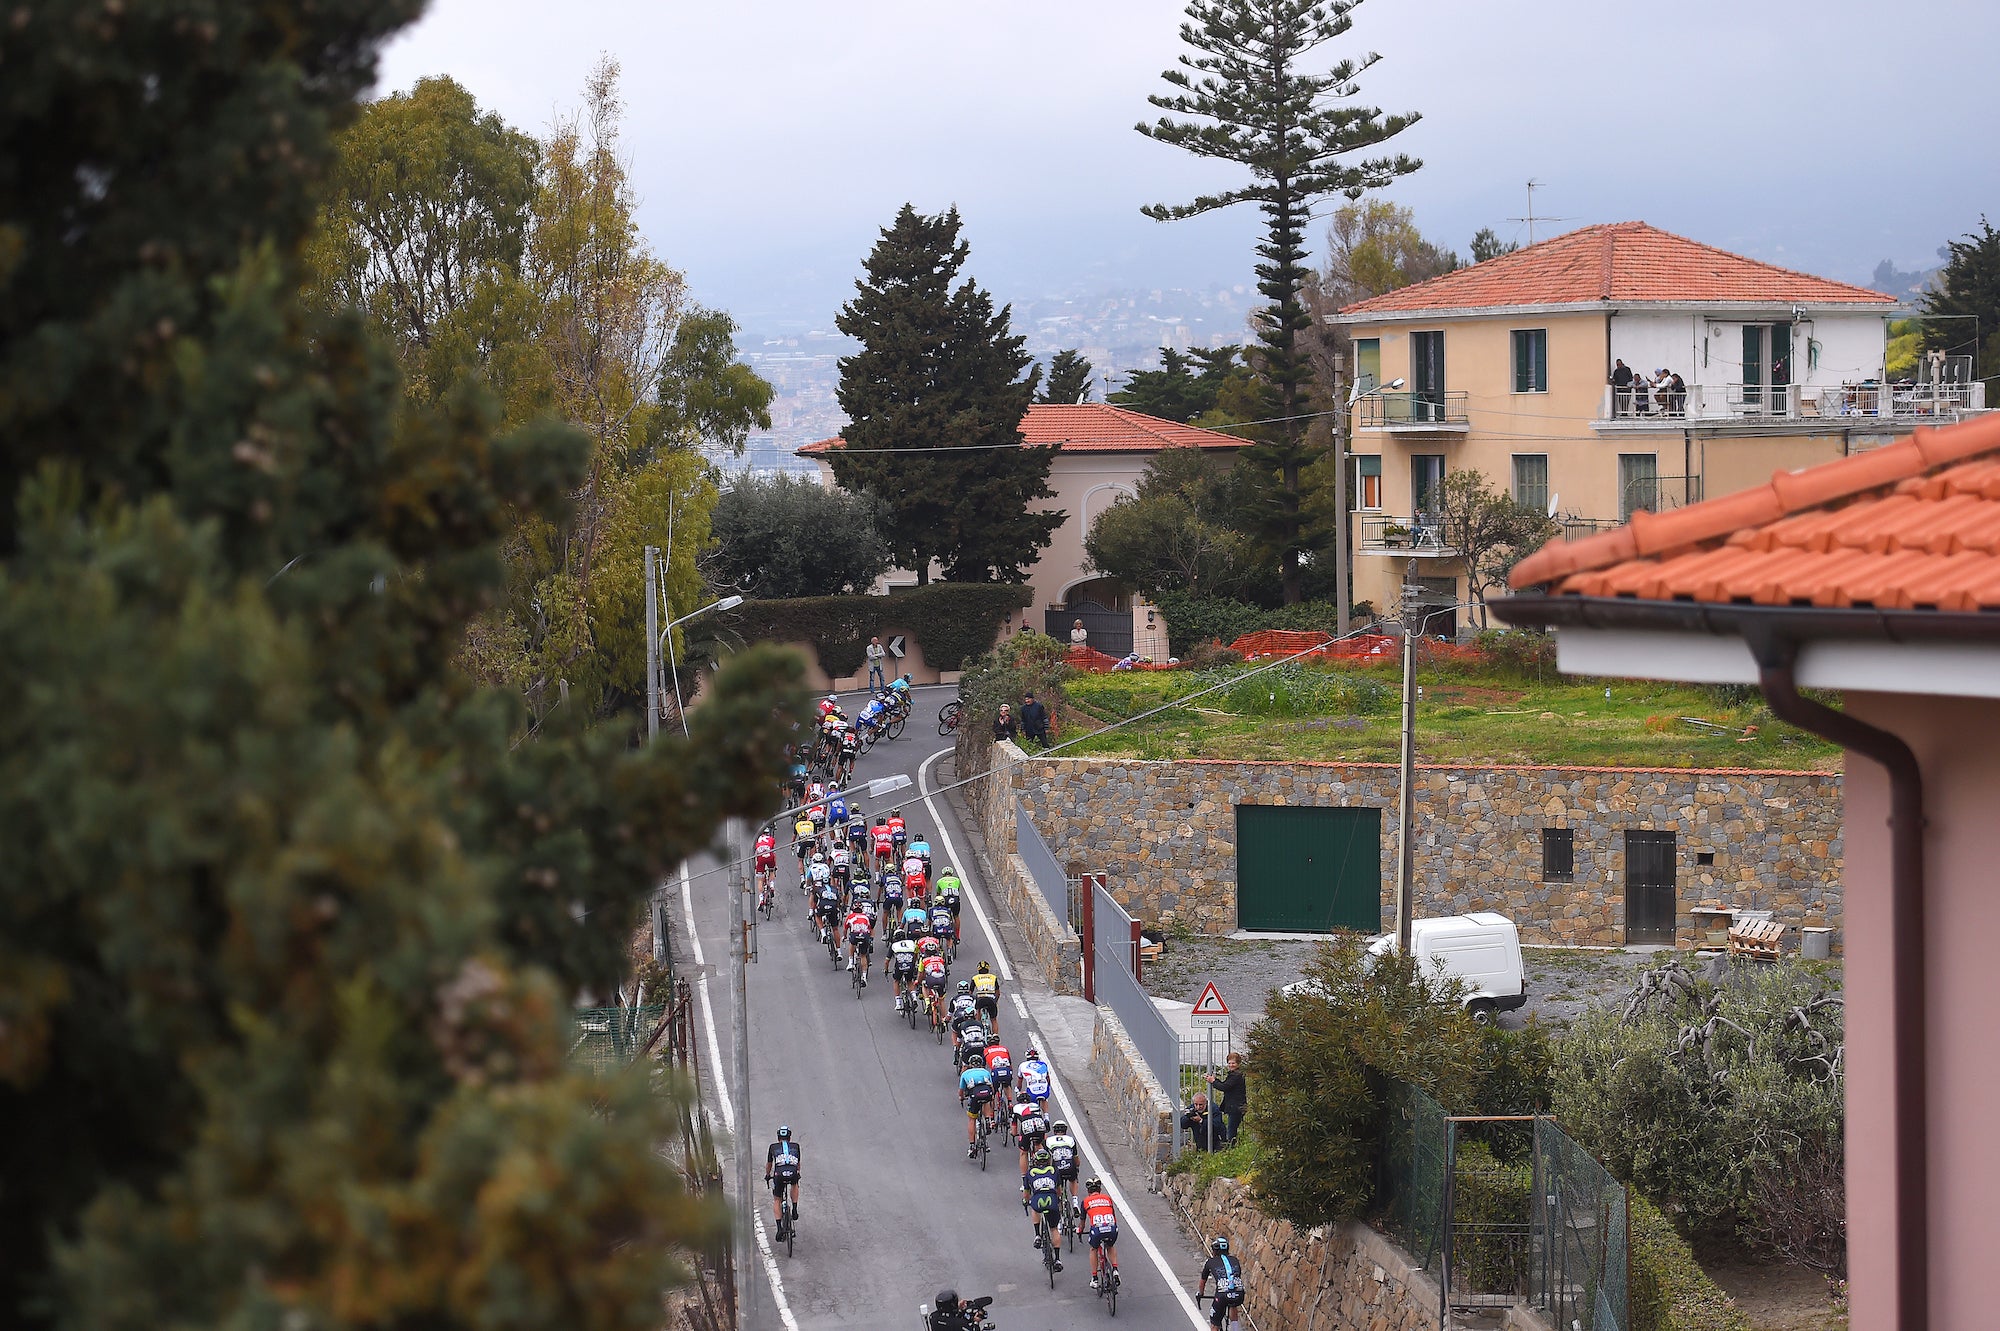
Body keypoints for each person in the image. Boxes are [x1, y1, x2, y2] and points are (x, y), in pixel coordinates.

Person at [1022, 1146, 1064, 1270]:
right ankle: (1057, 1259)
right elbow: (1059, 1190)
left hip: (1038, 1199)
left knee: (1033, 1207)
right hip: (1051, 1199)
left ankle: (1037, 1235)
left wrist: (1026, 1201)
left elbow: (1026, 1192)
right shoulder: (1054, 1171)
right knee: (1054, 1228)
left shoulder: (1030, 1172)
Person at [1080, 1175, 1121, 1291]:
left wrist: (1080, 1231)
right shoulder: (1107, 1198)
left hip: (1097, 1230)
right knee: (1110, 1245)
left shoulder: (1085, 1201)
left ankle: (1095, 1278)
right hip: (1112, 1228)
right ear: (1100, 1189)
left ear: (1088, 1191)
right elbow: (1113, 1216)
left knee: (1093, 1248)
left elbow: (1082, 1222)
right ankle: (1115, 1270)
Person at [1197, 1236, 1246, 1329]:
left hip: (1222, 1295)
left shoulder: (1210, 1262)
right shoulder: (1235, 1260)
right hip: (1239, 1293)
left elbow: (1202, 1282)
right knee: (1233, 1304)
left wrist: (1201, 1293)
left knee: (1215, 1323)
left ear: (1214, 1251)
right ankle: (1235, 1329)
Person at [766, 1126, 802, 1239]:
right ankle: (795, 1208)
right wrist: (797, 1173)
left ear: (778, 1138)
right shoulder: (796, 1146)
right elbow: (798, 1164)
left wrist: (767, 1175)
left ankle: (779, 1228)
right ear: (789, 1138)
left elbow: (769, 1164)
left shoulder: (773, 1147)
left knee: (777, 1199)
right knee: (795, 1184)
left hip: (779, 1174)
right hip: (792, 1171)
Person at [959, 1055, 997, 1158]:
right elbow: (991, 1087)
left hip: (975, 1095)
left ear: (970, 1065)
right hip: (986, 1092)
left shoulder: (965, 1073)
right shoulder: (985, 1072)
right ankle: (988, 1120)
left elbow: (961, 1091)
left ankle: (972, 1146)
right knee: (987, 1101)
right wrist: (992, 1097)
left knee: (972, 1119)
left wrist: (961, 1098)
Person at [1209, 1052, 1247, 1145]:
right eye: (1229, 1063)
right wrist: (1215, 1080)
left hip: (1236, 1107)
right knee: (1231, 1128)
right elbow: (1225, 1085)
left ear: (1238, 1064)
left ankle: (1231, 1147)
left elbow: (1225, 1087)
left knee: (1231, 1130)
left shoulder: (1236, 1076)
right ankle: (1230, 1145)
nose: (1231, 1065)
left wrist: (1213, 1081)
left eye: (1233, 1063)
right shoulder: (1234, 1074)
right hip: (1236, 1106)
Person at [970, 959, 1000, 1031]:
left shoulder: (975, 978)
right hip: (991, 999)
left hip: (980, 999)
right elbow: (998, 993)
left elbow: (970, 993)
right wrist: (995, 1001)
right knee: (993, 1020)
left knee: (978, 1010)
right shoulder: (993, 977)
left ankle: (978, 1026)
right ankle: (995, 1036)